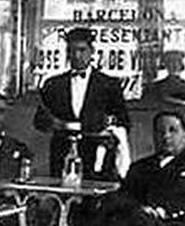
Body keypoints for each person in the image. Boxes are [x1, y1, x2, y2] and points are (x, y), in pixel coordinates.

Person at [33, 26, 129, 181]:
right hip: (61, 154)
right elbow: (39, 121)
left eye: (82, 50)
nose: (77, 56)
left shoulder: (109, 85)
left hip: (97, 155)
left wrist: (108, 129)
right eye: (71, 51)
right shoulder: (53, 85)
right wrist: (52, 124)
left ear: (92, 51)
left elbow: (124, 121)